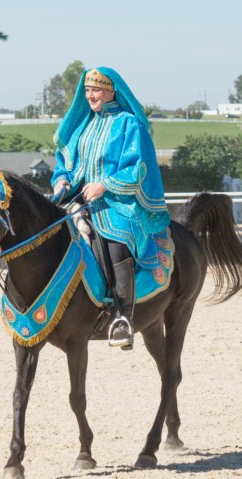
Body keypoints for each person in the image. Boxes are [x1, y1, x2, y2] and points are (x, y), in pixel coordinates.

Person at [51, 67, 170, 350]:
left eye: (98, 90)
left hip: (119, 201)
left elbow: (137, 168)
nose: (91, 95)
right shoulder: (83, 124)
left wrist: (105, 185)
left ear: (112, 91)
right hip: (79, 199)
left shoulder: (130, 124)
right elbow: (64, 164)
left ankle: (123, 319)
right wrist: (62, 179)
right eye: (88, 90)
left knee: (115, 242)